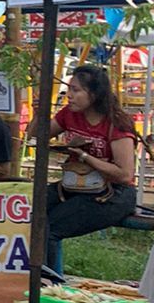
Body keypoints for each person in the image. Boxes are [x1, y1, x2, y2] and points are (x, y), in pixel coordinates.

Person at [45, 63, 137, 266]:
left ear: (94, 94)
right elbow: (37, 134)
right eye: (69, 88)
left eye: (76, 90)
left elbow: (124, 174)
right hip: (78, 184)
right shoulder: (69, 114)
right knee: (34, 208)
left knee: (49, 228)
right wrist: (39, 111)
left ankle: (49, 284)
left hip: (115, 192)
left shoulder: (116, 123)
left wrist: (86, 157)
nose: (69, 95)